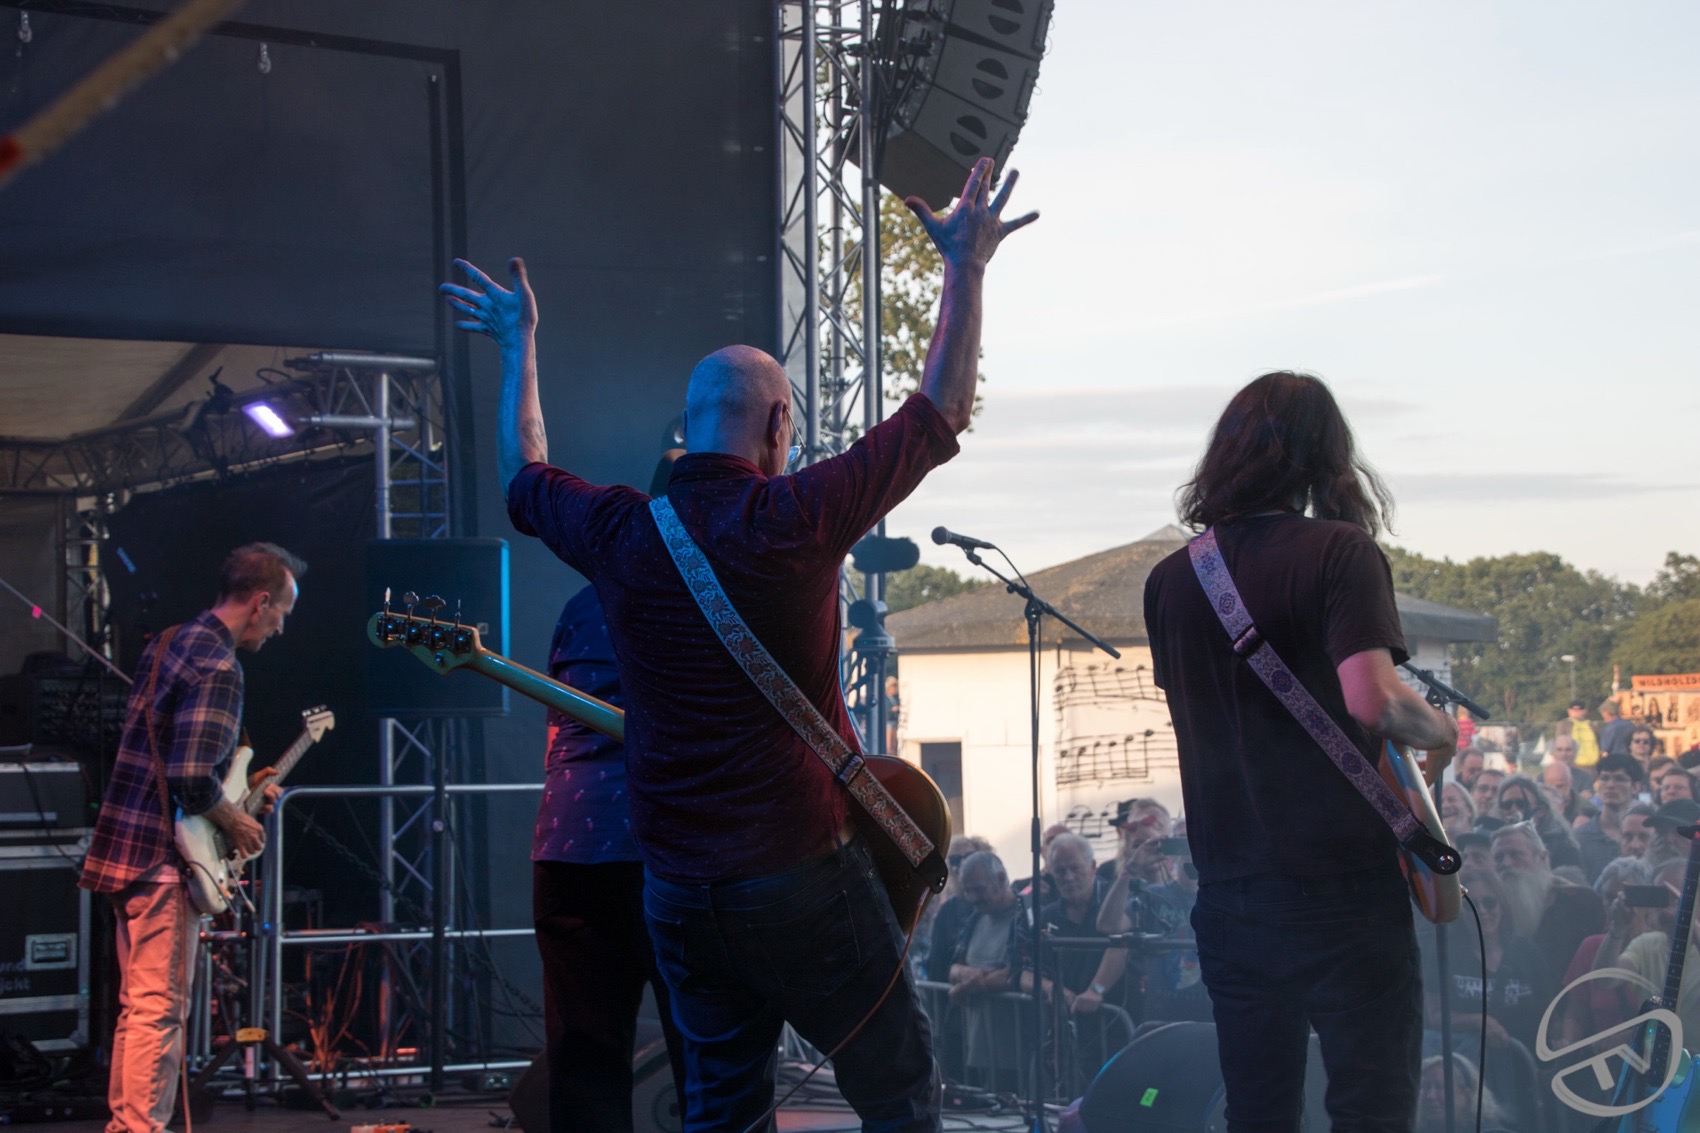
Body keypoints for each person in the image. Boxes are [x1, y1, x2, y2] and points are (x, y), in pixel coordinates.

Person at [446, 156, 1035, 1131]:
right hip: (801, 877)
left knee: (720, 1110)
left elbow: (523, 471)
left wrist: (519, 343)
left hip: (679, 893)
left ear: (685, 431)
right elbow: (939, 413)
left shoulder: (622, 531)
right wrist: (964, 269)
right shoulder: (796, 516)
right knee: (897, 1090)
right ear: (778, 423)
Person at [1143, 371, 1458, 1131]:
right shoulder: (1340, 552)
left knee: (1258, 1111)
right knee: (1370, 1109)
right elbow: (1373, 700)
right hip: (1343, 890)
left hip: (1231, 894)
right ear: (1326, 457)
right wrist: (1443, 731)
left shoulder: (1170, 580)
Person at [79, 543, 301, 1133]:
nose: (281, 627)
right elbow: (190, 779)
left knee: (139, 1008)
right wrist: (238, 820)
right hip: (163, 859)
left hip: (125, 845)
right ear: (259, 603)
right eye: (282, 612)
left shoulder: (169, 641)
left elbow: (174, 757)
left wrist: (240, 789)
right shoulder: (221, 668)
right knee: (159, 1011)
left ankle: (127, 1126)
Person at [531, 585, 685, 1132]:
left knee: (584, 1060)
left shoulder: (582, 602)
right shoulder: (715, 588)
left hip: (573, 839)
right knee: (712, 1056)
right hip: (678, 843)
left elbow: (556, 734)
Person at [1491, 822, 1605, 994]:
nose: (1506, 863)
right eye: (1499, 857)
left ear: (1543, 858)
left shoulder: (1582, 903)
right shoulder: (1486, 911)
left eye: (1515, 854)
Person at [948, 851, 1025, 1092]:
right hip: (980, 1044)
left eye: (979, 890)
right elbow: (954, 967)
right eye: (967, 891)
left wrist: (965, 986)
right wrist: (973, 977)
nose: (973, 898)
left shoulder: (1024, 916)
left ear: (1001, 879)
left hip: (1017, 1045)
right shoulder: (975, 918)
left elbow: (1014, 974)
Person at [921, 834, 992, 984]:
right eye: (955, 860)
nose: (962, 864)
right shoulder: (947, 912)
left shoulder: (996, 902)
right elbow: (936, 967)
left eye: (969, 857)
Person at [1575, 753, 1645, 884]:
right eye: (1604, 778)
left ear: (1636, 787)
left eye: (1619, 779)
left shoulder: (1648, 836)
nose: (1610, 785)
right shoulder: (1580, 838)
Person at [1495, 773, 1582, 870]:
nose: (1513, 809)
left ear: (1541, 811)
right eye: (1506, 805)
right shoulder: (1492, 843)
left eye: (1521, 804)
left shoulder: (1563, 849)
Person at [1567, 700, 1601, 769]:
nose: (1576, 712)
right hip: (1573, 764)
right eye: (1573, 709)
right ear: (1568, 710)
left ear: (1585, 711)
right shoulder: (1564, 724)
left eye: (1579, 709)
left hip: (1593, 764)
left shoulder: (1592, 725)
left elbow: (1599, 742)